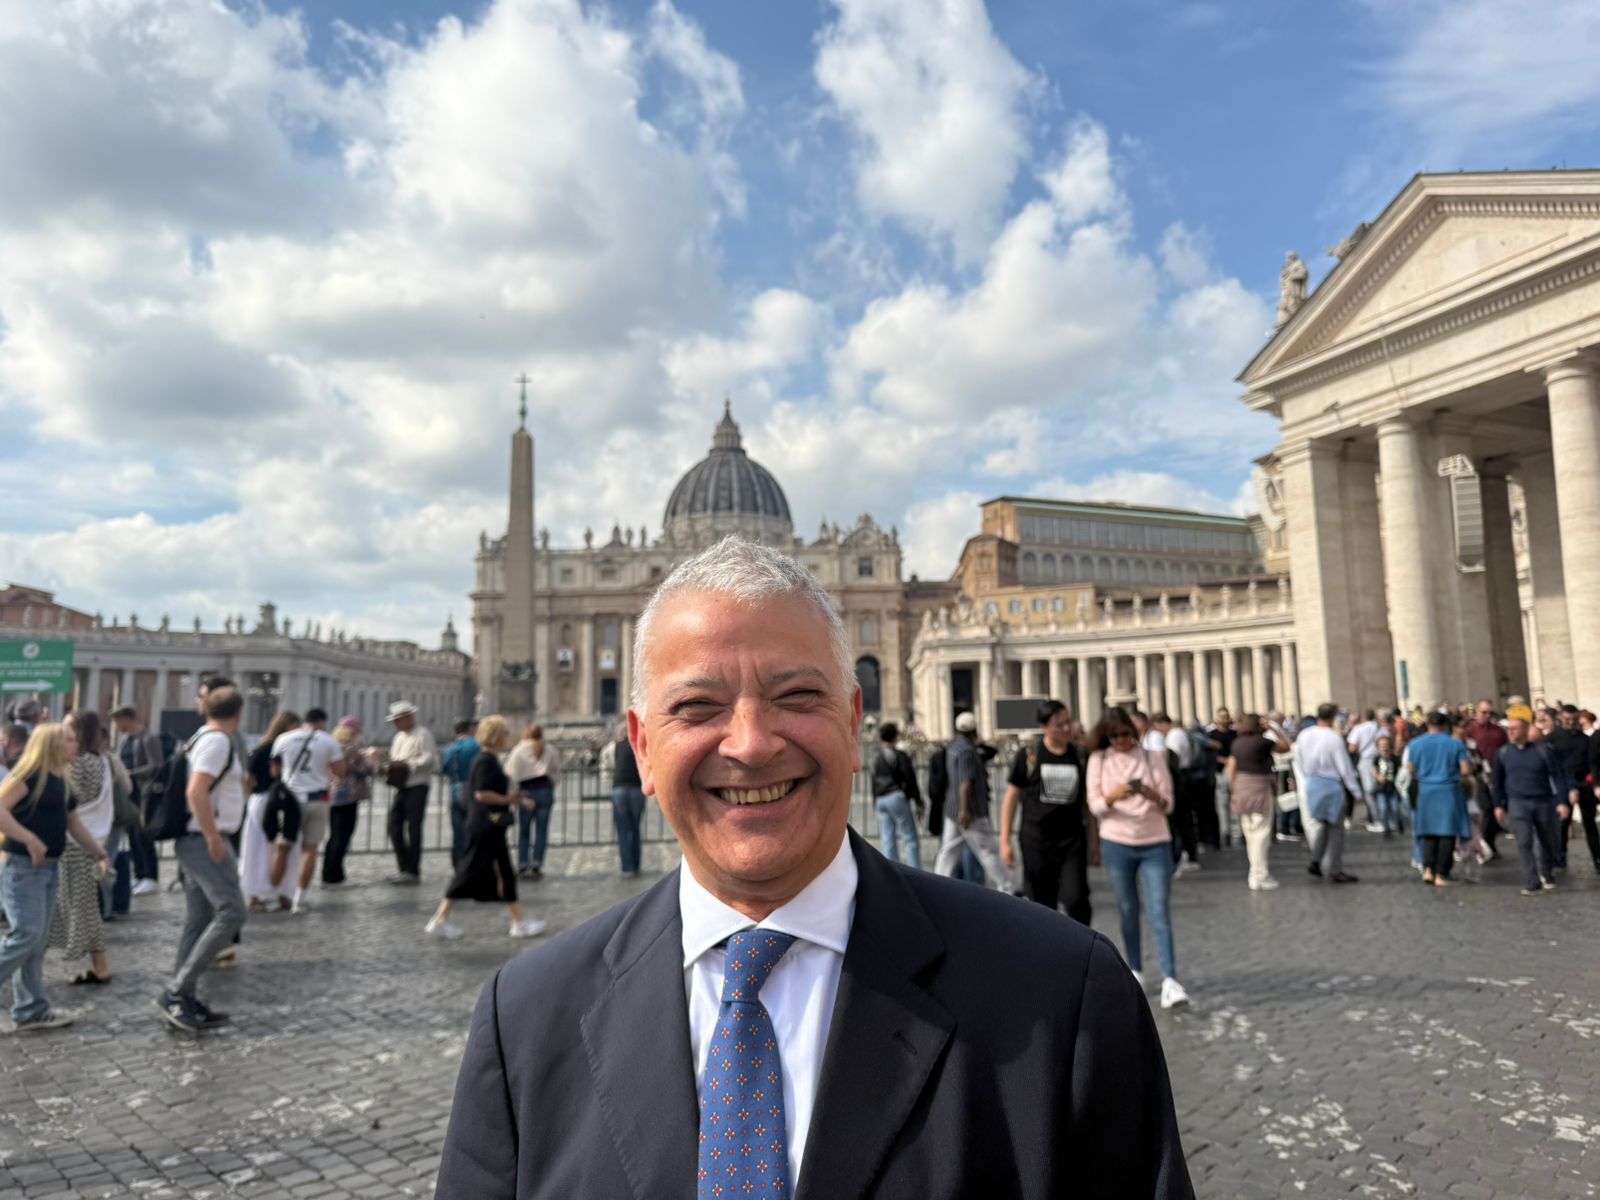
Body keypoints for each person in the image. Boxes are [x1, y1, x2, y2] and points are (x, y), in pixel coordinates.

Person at [436, 536, 1193, 1197]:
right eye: (697, 706)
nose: (751, 742)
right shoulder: (523, 1020)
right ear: (641, 747)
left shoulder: (1065, 995)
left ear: (854, 724)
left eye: (797, 695)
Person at [0, 722, 110, 1031]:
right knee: (26, 936)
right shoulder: (29, 775)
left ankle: (31, 1009)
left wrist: (99, 853)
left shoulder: (61, 781)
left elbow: (74, 825)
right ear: (52, 745)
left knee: (36, 943)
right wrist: (30, 839)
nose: (76, 745)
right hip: (23, 868)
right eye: (70, 740)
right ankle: (31, 1008)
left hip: (48, 869)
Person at [154, 686, 250, 1035]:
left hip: (196, 838)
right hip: (203, 839)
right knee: (233, 911)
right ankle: (177, 991)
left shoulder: (201, 738)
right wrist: (212, 836)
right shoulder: (217, 741)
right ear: (239, 713)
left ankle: (184, 997)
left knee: (199, 918)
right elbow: (196, 791)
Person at [1086, 706, 1188, 1009]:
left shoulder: (1152, 757)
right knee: (1128, 908)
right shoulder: (1098, 760)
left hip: (1155, 841)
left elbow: (1168, 803)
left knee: (1159, 910)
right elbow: (1095, 805)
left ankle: (1171, 978)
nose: (1122, 741)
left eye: (1127, 735)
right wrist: (1115, 796)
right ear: (1107, 736)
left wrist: (1148, 794)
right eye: (1115, 736)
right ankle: (1135, 970)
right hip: (1117, 842)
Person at [425, 716, 548, 941]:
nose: (508, 737)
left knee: (502, 873)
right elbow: (481, 794)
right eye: (505, 733)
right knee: (468, 871)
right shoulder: (484, 761)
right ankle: (440, 920)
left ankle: (518, 921)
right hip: (484, 824)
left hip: (488, 824)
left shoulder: (488, 759)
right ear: (496, 736)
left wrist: (516, 799)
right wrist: (510, 800)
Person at [999, 699, 1093, 923]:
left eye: (1069, 722)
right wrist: (1004, 840)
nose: (1067, 728)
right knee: (1042, 904)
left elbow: (1087, 803)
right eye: (1060, 724)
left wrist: (1095, 841)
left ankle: (1082, 949)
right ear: (1044, 727)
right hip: (1036, 840)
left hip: (1072, 840)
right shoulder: (1029, 755)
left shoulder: (1080, 755)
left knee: (1076, 898)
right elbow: (1011, 797)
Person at [49, 711, 113, 986]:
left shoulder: (79, 763)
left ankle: (96, 965)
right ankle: (99, 964)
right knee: (84, 904)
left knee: (78, 905)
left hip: (75, 841)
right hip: (92, 837)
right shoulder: (101, 760)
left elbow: (70, 799)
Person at [272, 707, 346, 911]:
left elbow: (275, 770)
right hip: (318, 797)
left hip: (291, 800)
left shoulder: (284, 739)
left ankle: (274, 893)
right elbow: (340, 771)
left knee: (282, 848)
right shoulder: (329, 741)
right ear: (322, 722)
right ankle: (299, 898)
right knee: (310, 849)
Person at [1493, 705, 1571, 895]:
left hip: (1543, 801)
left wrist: (1562, 801)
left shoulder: (1543, 751)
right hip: (1518, 802)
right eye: (1509, 729)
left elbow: (1557, 776)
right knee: (1524, 842)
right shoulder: (1503, 754)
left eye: (1515, 729)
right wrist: (1498, 805)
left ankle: (1547, 871)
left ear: (1526, 730)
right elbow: (1498, 781)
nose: (1510, 732)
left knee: (1547, 839)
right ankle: (1532, 881)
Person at [933, 712, 1012, 890]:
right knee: (987, 851)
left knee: (948, 851)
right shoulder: (967, 751)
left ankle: (936, 883)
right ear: (974, 730)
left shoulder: (952, 747)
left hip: (952, 808)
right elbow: (965, 783)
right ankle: (1006, 887)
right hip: (970, 810)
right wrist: (965, 810)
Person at [240, 711, 302, 913]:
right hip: (283, 800)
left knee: (259, 849)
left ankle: (262, 893)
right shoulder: (286, 750)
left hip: (263, 800)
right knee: (280, 848)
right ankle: (278, 891)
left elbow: (249, 782)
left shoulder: (261, 750)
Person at [1292, 702, 1361, 883]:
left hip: (1313, 782)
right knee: (1336, 829)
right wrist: (1355, 791)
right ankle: (1335, 869)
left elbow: (1298, 760)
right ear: (1334, 716)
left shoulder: (1304, 735)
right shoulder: (1333, 738)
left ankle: (1316, 860)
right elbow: (1344, 767)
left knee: (1322, 824)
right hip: (1331, 784)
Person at [1404, 711, 1473, 887]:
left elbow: (1411, 769)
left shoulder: (1415, 744)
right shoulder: (1455, 744)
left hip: (1426, 790)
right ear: (1444, 726)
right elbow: (1465, 770)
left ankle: (1428, 869)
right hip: (1448, 790)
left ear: (1428, 725)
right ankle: (1442, 873)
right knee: (1447, 832)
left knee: (1428, 831)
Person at [111, 706, 164, 894]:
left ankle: (150, 875)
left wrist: (131, 773)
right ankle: (139, 873)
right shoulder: (125, 740)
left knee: (143, 834)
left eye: (118, 721)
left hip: (144, 793)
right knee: (133, 835)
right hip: (129, 793)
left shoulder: (148, 738)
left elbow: (156, 764)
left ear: (128, 719)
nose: (116, 726)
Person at [384, 701, 438, 885]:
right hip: (402, 785)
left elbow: (429, 758)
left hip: (417, 784)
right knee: (393, 826)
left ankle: (412, 869)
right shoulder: (398, 737)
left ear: (408, 718)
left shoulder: (423, 734)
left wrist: (408, 765)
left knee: (414, 828)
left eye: (398, 720)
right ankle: (404, 866)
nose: (396, 724)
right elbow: (394, 757)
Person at [1227, 713, 1279, 891]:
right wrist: (1273, 729)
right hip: (1259, 788)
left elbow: (1231, 768)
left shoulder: (1237, 743)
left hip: (1242, 788)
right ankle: (1260, 875)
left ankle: (1254, 872)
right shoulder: (1262, 742)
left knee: (1250, 833)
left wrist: (1234, 789)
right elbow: (1286, 747)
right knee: (1261, 834)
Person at [323, 719, 374, 885]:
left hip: (332, 795)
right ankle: (335, 874)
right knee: (343, 835)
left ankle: (329, 871)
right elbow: (364, 770)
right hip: (348, 797)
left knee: (334, 835)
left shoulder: (331, 747)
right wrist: (371, 759)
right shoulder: (351, 750)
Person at [504, 724, 556, 880]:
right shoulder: (550, 749)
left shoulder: (518, 750)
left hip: (526, 793)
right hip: (545, 791)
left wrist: (514, 791)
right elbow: (556, 770)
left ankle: (522, 863)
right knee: (541, 830)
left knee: (524, 831)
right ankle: (536, 865)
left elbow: (510, 772)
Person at [869, 721, 923, 869]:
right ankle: (915, 870)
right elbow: (910, 778)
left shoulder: (875, 756)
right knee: (909, 836)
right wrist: (918, 800)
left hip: (881, 798)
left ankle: (891, 872)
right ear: (895, 737)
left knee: (887, 838)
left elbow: (873, 780)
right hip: (895, 795)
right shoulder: (899, 755)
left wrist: (875, 800)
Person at [1464, 700, 1508, 860]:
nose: (1487, 716)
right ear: (1477, 712)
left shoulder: (1499, 731)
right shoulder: (1469, 731)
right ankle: (1483, 844)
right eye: (1484, 712)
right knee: (1487, 809)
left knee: (1497, 809)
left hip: (1498, 773)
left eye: (1490, 713)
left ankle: (1490, 843)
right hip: (1478, 776)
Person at [1158, 713, 1202, 874]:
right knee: (1184, 819)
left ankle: (1187, 854)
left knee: (1181, 820)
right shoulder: (1180, 734)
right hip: (1184, 777)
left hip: (1180, 779)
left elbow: (1173, 758)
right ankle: (1189, 853)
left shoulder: (1174, 736)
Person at [439, 718, 479, 865]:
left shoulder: (449, 749)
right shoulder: (476, 746)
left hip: (455, 791)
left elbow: (443, 769)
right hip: (474, 791)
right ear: (470, 729)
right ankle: (472, 862)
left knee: (458, 832)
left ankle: (458, 863)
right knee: (474, 830)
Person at [610, 726, 647, 877]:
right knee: (635, 829)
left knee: (623, 830)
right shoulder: (641, 745)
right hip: (637, 789)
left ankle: (627, 867)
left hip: (619, 788)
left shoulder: (617, 746)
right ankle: (636, 864)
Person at [1347, 709, 1384, 832]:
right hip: (1381, 759)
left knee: (1369, 791)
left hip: (1367, 760)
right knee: (1382, 788)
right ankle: (1385, 817)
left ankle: (1376, 819)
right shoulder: (1379, 727)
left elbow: (1352, 748)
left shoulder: (1359, 729)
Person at [1372, 734, 1404, 837]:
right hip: (1381, 788)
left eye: (1386, 745)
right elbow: (1373, 771)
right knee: (1383, 808)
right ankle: (1386, 829)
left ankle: (1398, 821)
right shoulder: (1376, 758)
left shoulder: (1395, 758)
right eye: (1381, 745)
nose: (1384, 747)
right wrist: (1377, 777)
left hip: (1393, 787)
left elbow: (1400, 770)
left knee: (1395, 808)